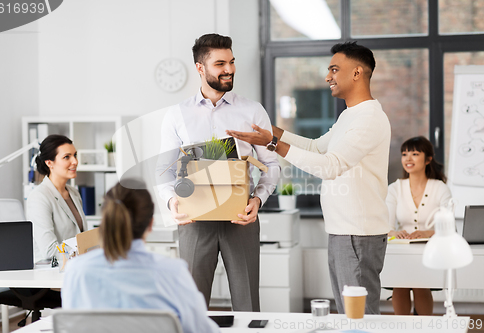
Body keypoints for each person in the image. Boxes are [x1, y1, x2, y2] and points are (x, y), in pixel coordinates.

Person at [227, 41, 391, 314]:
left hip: (358, 234)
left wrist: (272, 145)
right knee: (348, 315)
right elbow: (316, 147)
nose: (328, 77)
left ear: (357, 73)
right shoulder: (350, 116)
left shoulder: (370, 118)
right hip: (344, 231)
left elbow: (330, 166)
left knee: (359, 317)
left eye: (335, 69)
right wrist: (270, 131)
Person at [155, 33, 280, 311]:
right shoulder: (177, 115)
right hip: (194, 220)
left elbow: (271, 164)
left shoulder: (253, 111)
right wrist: (171, 201)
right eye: (220, 63)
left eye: (232, 62)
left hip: (241, 218)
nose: (229, 69)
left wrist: (257, 200)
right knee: (191, 306)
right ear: (200, 68)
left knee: (248, 305)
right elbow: (163, 171)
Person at [61, 180, 219, 333]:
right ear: (150, 224)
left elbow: (71, 326)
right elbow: (200, 329)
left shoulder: (76, 270)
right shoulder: (173, 272)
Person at [386, 136, 451, 315]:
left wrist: (428, 233)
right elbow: (386, 224)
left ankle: (424, 326)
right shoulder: (395, 188)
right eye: (405, 154)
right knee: (400, 285)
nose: (408, 159)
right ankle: (403, 327)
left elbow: (449, 226)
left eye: (415, 154)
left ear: (428, 159)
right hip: (401, 250)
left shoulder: (440, 188)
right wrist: (394, 232)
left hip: (429, 249)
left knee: (420, 284)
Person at [27, 134, 87, 262]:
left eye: (75, 155)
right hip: (51, 271)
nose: (75, 161)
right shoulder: (39, 197)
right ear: (49, 163)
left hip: (75, 266)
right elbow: (50, 251)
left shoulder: (73, 193)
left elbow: (82, 238)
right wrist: (83, 255)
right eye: (67, 157)